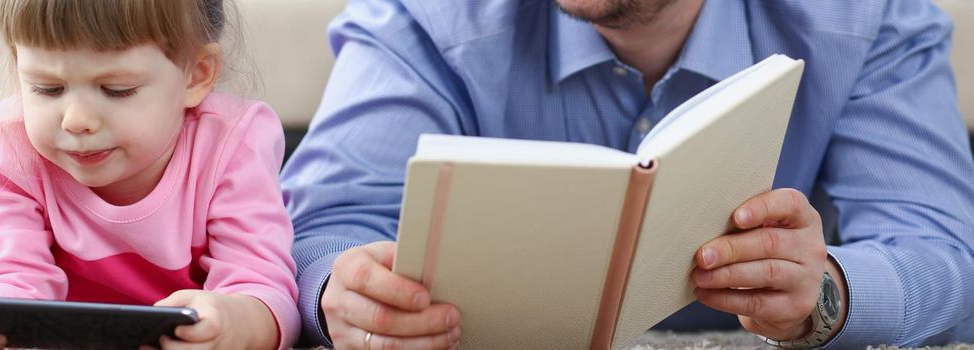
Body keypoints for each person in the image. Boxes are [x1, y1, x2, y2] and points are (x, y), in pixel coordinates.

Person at [282, 0, 974, 349]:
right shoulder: (423, 16)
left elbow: (946, 253)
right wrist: (344, 300)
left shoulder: (863, 15)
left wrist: (826, 290)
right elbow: (321, 230)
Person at [0, 0, 300, 349]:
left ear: (195, 76)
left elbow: (264, 291)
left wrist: (232, 324)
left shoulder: (232, 141)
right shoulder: (7, 146)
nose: (77, 121)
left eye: (117, 90)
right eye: (47, 89)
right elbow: (11, 283)